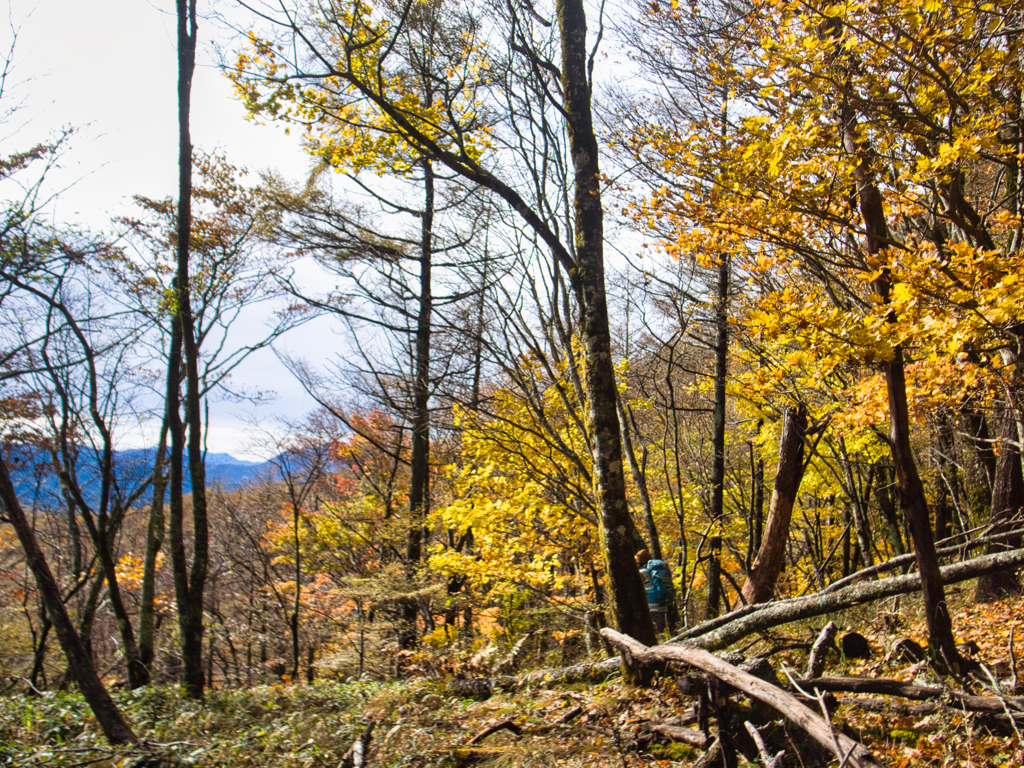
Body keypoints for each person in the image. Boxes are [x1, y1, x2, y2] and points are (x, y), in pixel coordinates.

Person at [636, 549, 675, 636]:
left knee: (654, 633)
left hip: (652, 607)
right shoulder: (655, 573)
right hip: (662, 606)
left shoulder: (643, 572)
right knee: (660, 632)